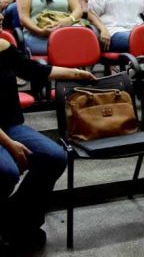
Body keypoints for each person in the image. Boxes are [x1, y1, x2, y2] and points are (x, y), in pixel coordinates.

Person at [0, 38, 95, 252]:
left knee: (54, 157)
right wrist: (11, 145)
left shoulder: (4, 48)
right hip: (5, 135)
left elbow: (35, 70)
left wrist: (78, 75)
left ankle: (17, 221)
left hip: (10, 126)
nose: (0, 17)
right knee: (6, 172)